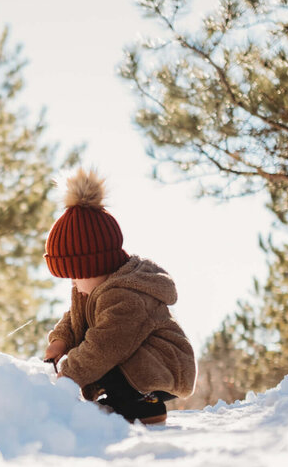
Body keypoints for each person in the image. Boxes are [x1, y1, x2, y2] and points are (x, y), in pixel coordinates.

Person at [42, 168, 196, 425]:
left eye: (76, 275)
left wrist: (67, 376)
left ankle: (145, 405)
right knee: (98, 358)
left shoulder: (125, 295)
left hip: (164, 364)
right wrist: (60, 340)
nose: (74, 283)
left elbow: (105, 344)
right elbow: (74, 318)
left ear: (95, 265)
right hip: (135, 358)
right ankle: (120, 401)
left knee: (101, 356)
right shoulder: (92, 287)